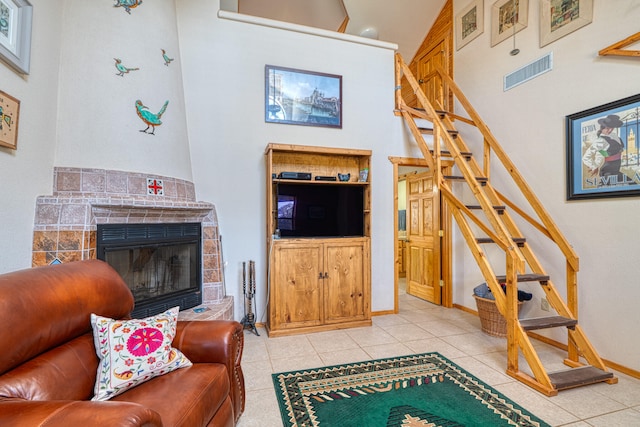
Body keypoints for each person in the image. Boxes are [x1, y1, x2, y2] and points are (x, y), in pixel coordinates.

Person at [582, 114, 625, 185]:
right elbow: (585, 157)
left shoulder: (614, 135)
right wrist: (594, 166)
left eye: (612, 128)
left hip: (615, 170)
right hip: (608, 172)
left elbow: (601, 154)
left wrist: (597, 163)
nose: (610, 130)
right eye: (608, 128)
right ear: (602, 127)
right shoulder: (600, 141)